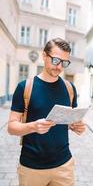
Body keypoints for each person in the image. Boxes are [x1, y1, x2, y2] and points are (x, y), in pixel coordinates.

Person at [8, 38, 86, 186]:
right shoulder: (25, 87)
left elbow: (68, 121)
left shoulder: (70, 88)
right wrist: (33, 126)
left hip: (64, 166)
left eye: (64, 63)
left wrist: (77, 126)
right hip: (32, 168)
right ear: (44, 56)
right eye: (56, 60)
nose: (59, 67)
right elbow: (11, 127)